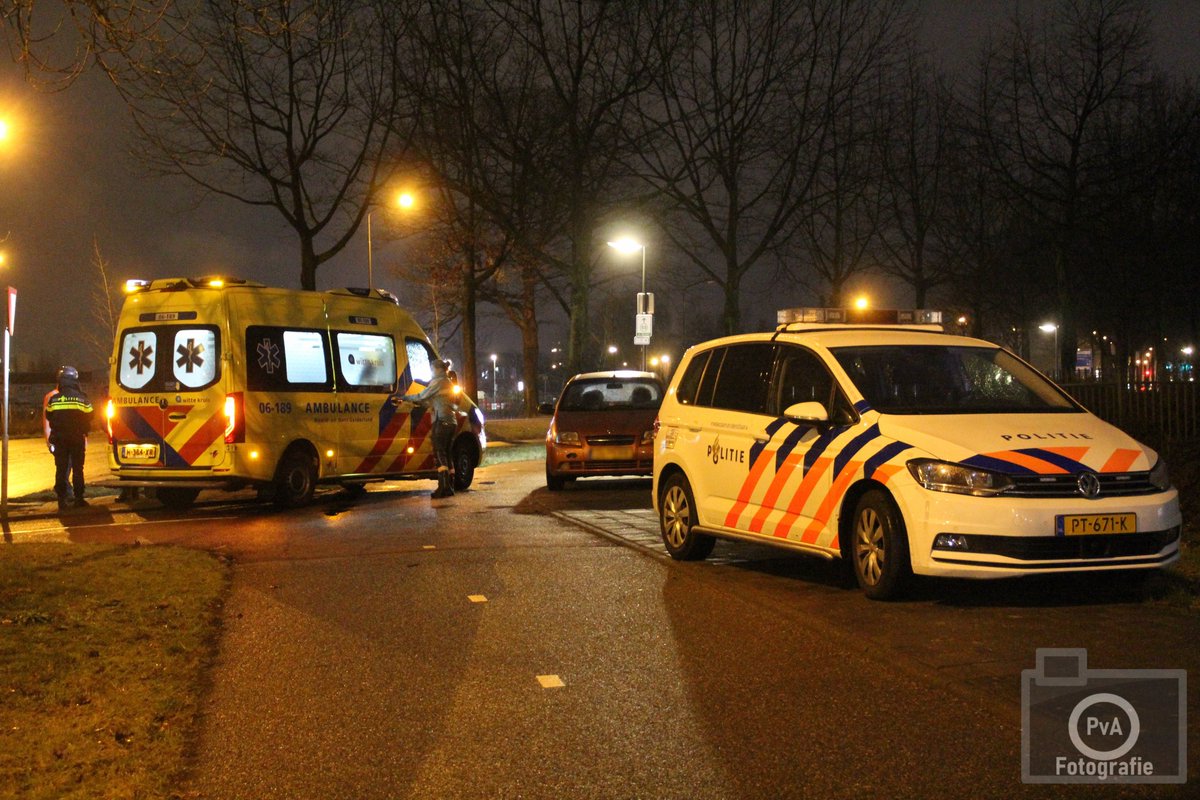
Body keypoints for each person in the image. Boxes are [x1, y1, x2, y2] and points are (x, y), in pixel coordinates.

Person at [406, 359, 459, 499]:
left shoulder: (438, 382)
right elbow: (431, 401)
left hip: (441, 421)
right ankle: (450, 486)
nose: (431, 372)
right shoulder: (447, 382)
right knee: (447, 453)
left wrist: (404, 398)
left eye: (432, 369)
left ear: (437, 369)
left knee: (439, 452)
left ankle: (444, 487)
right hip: (451, 422)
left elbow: (422, 395)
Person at [44, 365, 95, 511]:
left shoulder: (54, 399)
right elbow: (91, 414)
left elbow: (49, 415)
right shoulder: (82, 398)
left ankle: (61, 500)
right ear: (75, 380)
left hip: (60, 440)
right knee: (78, 469)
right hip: (77, 439)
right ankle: (79, 498)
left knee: (61, 469)